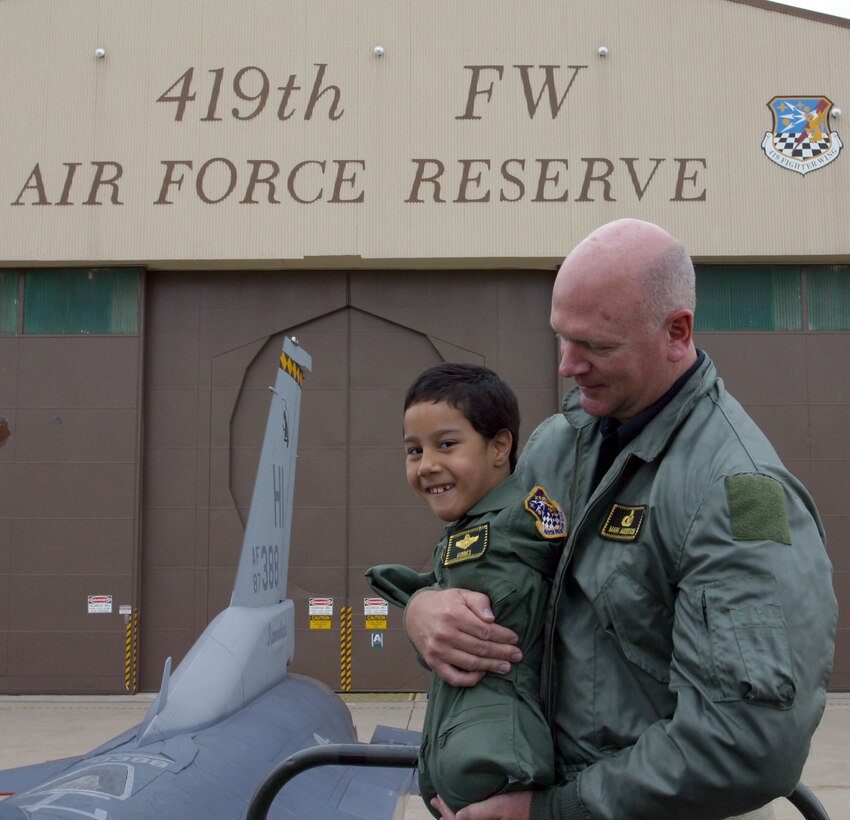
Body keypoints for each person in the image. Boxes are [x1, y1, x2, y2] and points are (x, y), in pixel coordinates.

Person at [403, 219, 838, 820]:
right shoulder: (556, 447)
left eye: (597, 346)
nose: (567, 365)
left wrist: (551, 811)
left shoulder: (738, 493)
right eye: (562, 337)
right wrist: (426, 608)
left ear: (676, 333)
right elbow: (493, 571)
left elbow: (750, 743)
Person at [366, 363, 566, 816]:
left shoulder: (504, 526)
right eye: (414, 450)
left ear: (499, 447)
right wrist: (419, 602)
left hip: (494, 767)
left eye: (446, 444)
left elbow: (481, 609)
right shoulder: (484, 523)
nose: (427, 465)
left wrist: (423, 601)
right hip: (480, 765)